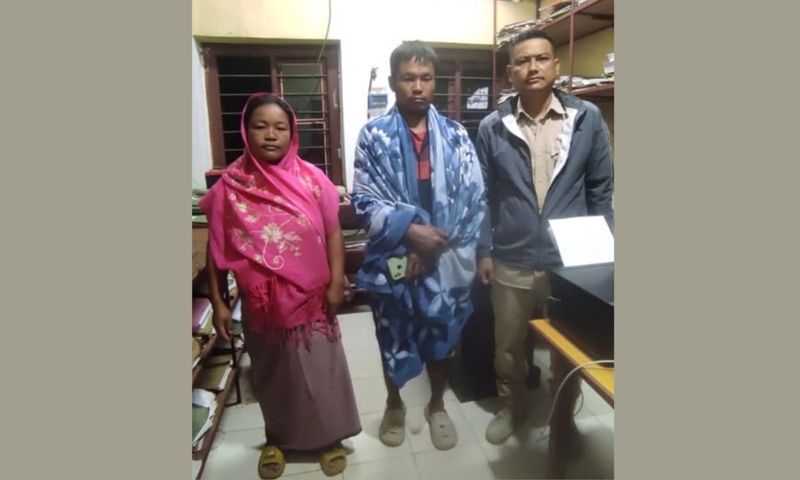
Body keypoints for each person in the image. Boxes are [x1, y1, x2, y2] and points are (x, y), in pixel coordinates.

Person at [200, 93, 361, 478]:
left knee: (321, 372)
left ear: (292, 133)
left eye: (280, 127)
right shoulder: (230, 186)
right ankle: (278, 438)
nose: (271, 135)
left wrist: (336, 282)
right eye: (260, 126)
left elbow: (333, 232)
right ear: (246, 131)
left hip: (312, 300)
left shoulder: (313, 179)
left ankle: (329, 438)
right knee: (274, 377)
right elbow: (215, 247)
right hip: (263, 306)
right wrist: (219, 303)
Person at [475, 29, 614, 445]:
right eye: (522, 61)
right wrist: (484, 250)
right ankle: (511, 406)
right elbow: (483, 196)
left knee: (568, 346)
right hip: (512, 257)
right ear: (510, 74)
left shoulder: (586, 118)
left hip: (570, 264)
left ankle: (563, 418)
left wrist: (604, 254)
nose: (532, 67)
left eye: (540, 59)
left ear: (555, 66)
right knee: (508, 345)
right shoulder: (493, 126)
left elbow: (601, 190)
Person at [351, 41, 485, 451]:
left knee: (441, 333)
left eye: (426, 78)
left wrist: (430, 244)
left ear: (435, 82)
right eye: (408, 78)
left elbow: (473, 197)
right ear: (394, 82)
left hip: (444, 256)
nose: (418, 86)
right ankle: (394, 404)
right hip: (395, 258)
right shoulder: (373, 136)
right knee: (392, 330)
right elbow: (364, 200)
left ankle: (437, 404)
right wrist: (410, 232)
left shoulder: (457, 136)